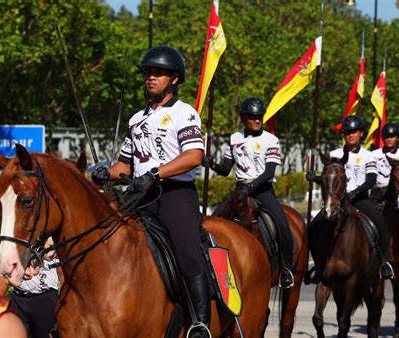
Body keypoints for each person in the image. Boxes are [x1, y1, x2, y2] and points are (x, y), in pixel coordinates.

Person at [90, 46, 209, 337]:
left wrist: (155, 174)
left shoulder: (184, 113)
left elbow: (194, 155)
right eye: (147, 73)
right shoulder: (136, 119)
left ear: (175, 79)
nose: (150, 78)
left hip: (174, 195)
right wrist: (106, 171)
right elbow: (126, 165)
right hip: (140, 195)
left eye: (157, 73)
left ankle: (200, 322)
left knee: (187, 249)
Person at [202, 97, 295, 289]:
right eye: (253, 117)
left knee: (283, 225)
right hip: (239, 190)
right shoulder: (235, 139)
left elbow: (269, 171)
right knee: (212, 220)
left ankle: (286, 269)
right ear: (244, 118)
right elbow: (226, 169)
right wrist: (212, 164)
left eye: (260, 117)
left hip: (262, 190)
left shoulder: (271, 140)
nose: (258, 120)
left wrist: (250, 187)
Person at [306, 115, 394, 281]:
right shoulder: (335, 154)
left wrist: (356, 192)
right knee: (312, 227)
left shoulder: (369, 156)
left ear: (361, 133)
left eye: (354, 132)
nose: (350, 135)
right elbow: (329, 179)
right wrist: (315, 178)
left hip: (359, 198)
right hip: (337, 201)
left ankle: (385, 263)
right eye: (347, 132)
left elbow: (371, 179)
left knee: (382, 225)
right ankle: (317, 267)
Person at [0, 237, 60, 338]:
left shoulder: (53, 237)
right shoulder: (15, 238)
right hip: (18, 299)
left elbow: (64, 273)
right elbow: (4, 272)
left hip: (45, 298)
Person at [370, 123, 399, 211]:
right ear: (382, 138)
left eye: (392, 137)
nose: (389, 139)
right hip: (377, 193)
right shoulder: (373, 154)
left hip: (395, 194)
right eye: (386, 137)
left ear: (397, 138)